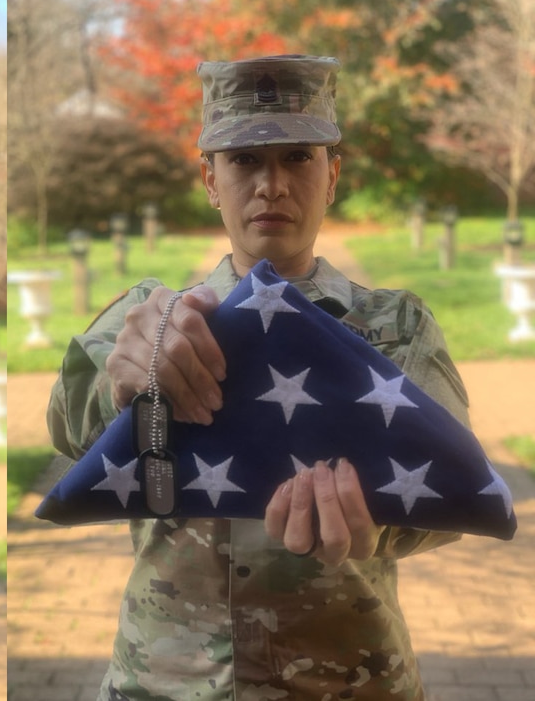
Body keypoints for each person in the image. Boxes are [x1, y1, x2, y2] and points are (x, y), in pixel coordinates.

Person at [47, 55, 469, 700]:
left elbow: (455, 488)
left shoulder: (397, 327)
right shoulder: (155, 316)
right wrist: (125, 384)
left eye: (298, 157)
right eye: (244, 161)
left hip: (348, 679)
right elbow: (68, 426)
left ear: (332, 176)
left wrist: (381, 522)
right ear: (210, 181)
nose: (271, 185)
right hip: (166, 680)